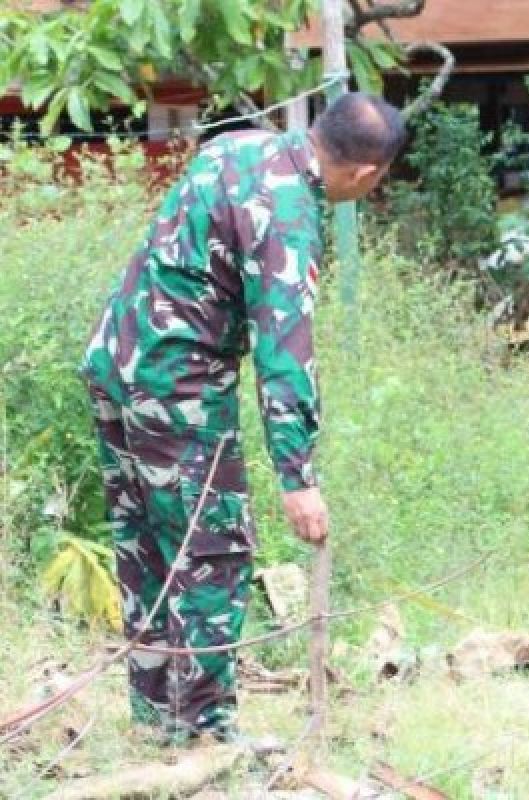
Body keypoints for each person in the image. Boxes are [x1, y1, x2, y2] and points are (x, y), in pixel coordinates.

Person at [79, 93, 406, 743]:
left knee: (147, 548)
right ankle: (202, 732)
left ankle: (156, 718)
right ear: (368, 174)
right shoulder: (290, 218)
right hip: (177, 391)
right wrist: (297, 476)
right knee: (210, 554)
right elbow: (284, 356)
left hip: (114, 367)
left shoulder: (235, 146)